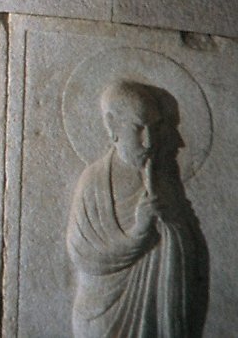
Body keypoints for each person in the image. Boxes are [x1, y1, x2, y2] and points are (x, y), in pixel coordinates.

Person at [66, 80, 205, 337]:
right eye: (138, 128)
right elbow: (82, 254)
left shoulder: (165, 179)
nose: (149, 141)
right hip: (102, 313)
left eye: (155, 128)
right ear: (113, 126)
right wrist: (138, 234)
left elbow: (191, 243)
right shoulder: (94, 182)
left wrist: (170, 224)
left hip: (156, 310)